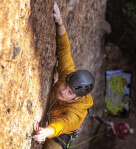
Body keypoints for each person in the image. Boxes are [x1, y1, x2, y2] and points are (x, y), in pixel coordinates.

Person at [32, 2, 95, 149]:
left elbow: (62, 124)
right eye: (66, 85)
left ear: (77, 98)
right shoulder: (68, 76)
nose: (63, 90)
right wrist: (59, 21)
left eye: (70, 92)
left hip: (62, 132)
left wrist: (44, 133)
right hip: (54, 116)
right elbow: (64, 50)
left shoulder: (75, 114)